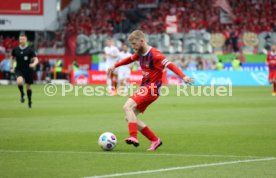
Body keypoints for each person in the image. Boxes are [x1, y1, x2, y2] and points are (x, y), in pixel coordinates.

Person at [108, 30, 193, 151]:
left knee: (127, 107)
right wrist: (115, 65)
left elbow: (170, 64)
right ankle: (154, 140)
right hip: (146, 88)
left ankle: (133, 137)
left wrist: (183, 76)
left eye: (134, 44)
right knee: (129, 116)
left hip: (152, 88)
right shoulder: (140, 54)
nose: (133, 47)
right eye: (132, 44)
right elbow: (129, 59)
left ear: (141, 41)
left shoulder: (155, 54)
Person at [11, 34, 38, 108]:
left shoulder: (30, 49)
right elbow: (12, 59)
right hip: (19, 69)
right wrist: (12, 67)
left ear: (26, 40)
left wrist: (34, 64)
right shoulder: (15, 49)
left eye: (23, 39)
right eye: (20, 39)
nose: (21, 40)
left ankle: (29, 101)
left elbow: (36, 59)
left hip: (28, 70)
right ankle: (22, 94)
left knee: (28, 87)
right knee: (19, 81)